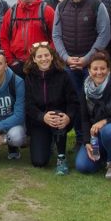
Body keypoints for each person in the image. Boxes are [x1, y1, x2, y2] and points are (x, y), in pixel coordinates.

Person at [52, 0, 111, 145]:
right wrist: (65, 57)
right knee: (75, 102)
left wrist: (87, 59)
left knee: (96, 103)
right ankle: (80, 139)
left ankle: (98, 139)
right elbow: (57, 35)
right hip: (69, 65)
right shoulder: (61, 7)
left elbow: (104, 34)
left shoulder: (96, 5)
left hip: (91, 66)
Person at [74, 52, 111, 179]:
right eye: (95, 69)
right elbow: (84, 119)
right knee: (83, 166)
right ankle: (102, 158)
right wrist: (86, 142)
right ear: (89, 71)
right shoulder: (85, 89)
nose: (99, 72)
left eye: (102, 68)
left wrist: (105, 121)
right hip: (96, 136)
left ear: (108, 70)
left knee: (109, 130)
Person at [23, 42, 78, 174]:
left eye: (46, 55)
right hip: (39, 121)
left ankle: (61, 158)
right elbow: (28, 105)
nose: (44, 59)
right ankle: (49, 143)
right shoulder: (29, 77)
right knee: (39, 162)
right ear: (34, 59)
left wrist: (68, 117)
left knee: (57, 116)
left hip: (59, 119)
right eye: (39, 56)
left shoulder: (63, 75)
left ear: (52, 56)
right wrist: (42, 117)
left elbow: (73, 101)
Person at [0, 0, 55, 77]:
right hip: (17, 64)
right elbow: (4, 38)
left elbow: (55, 37)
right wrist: (11, 61)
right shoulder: (11, 13)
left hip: (40, 64)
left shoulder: (47, 11)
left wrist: (46, 58)